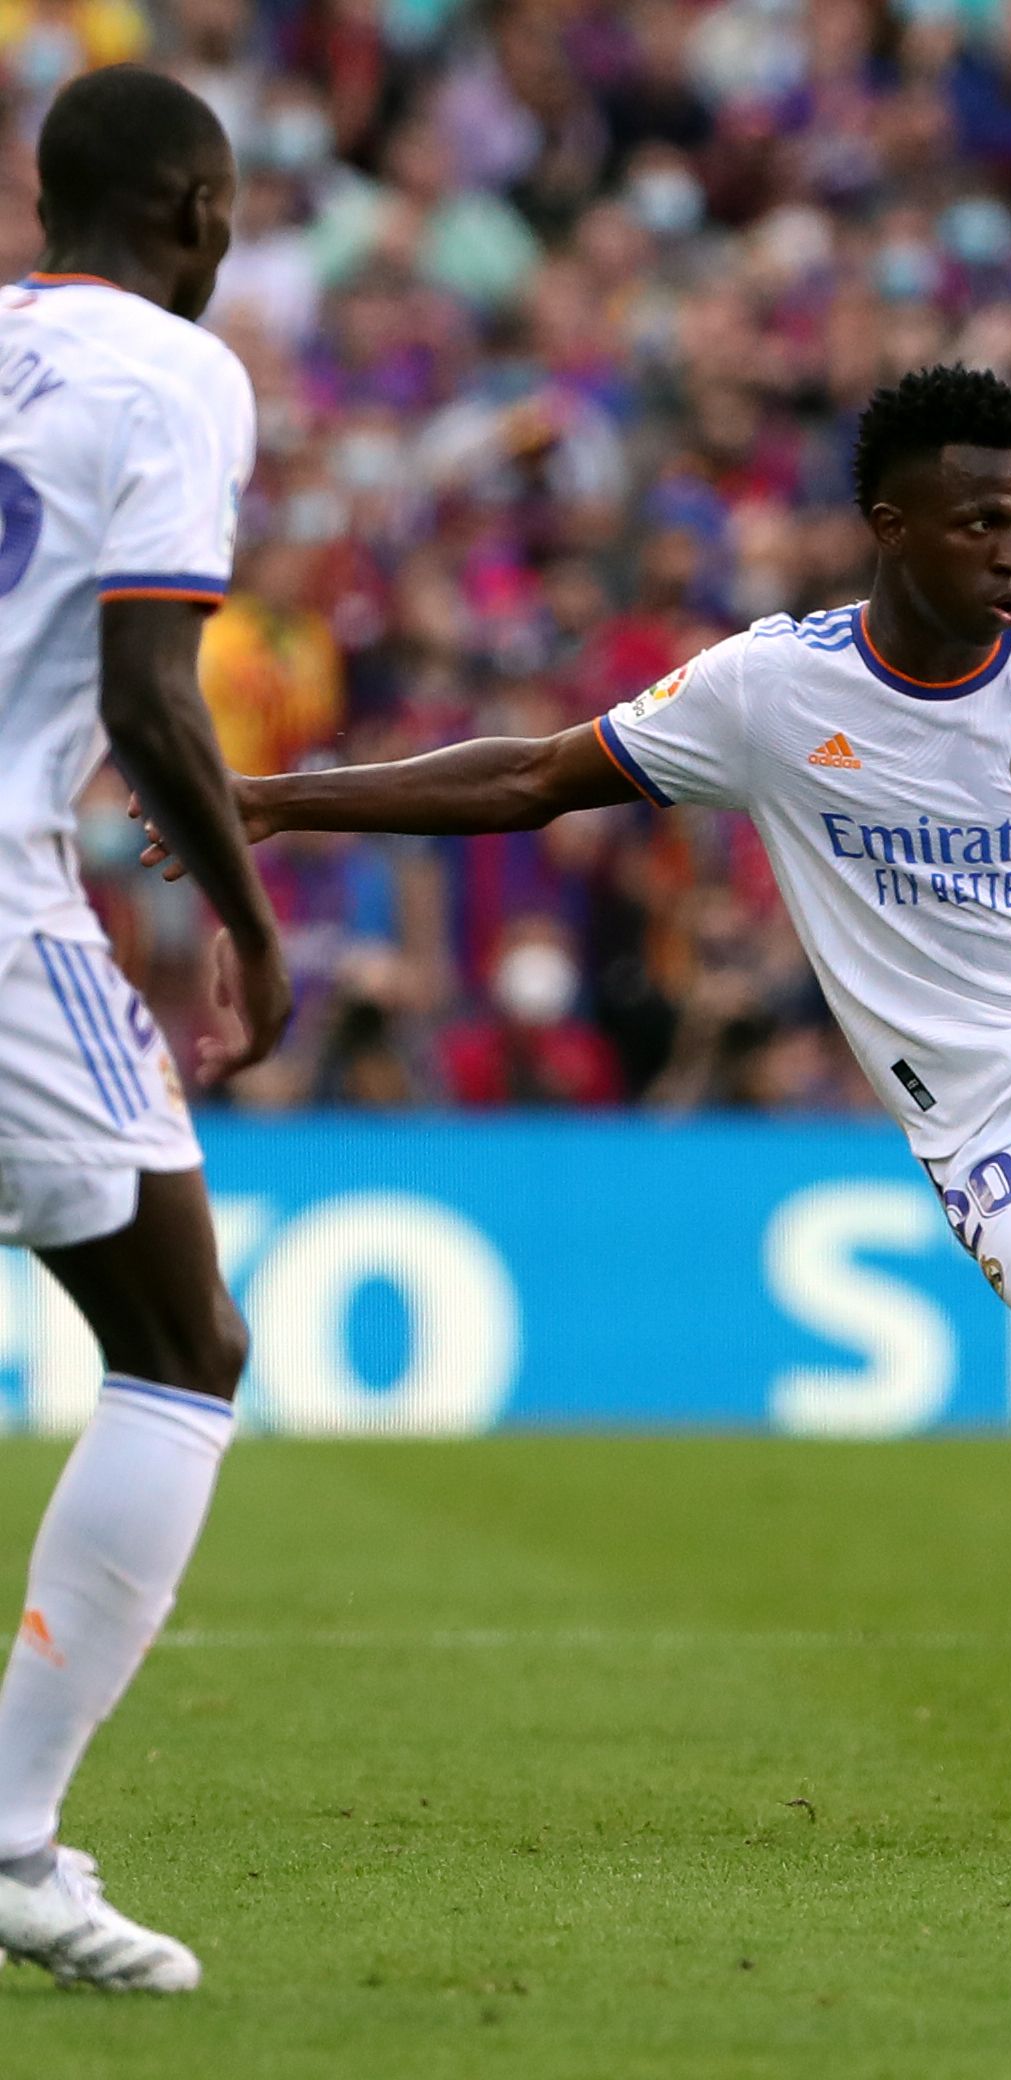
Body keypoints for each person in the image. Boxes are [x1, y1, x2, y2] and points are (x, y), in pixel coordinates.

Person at [140, 364, 1011, 1856]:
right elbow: (529, 776)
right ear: (889, 526)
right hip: (1000, 1120)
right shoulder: (772, 690)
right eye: (981, 526)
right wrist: (274, 800)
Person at [0, 66, 291, 1992]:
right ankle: (12, 1845)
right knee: (185, 1336)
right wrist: (242, 925)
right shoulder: (175, 375)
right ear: (195, 209)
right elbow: (150, 685)